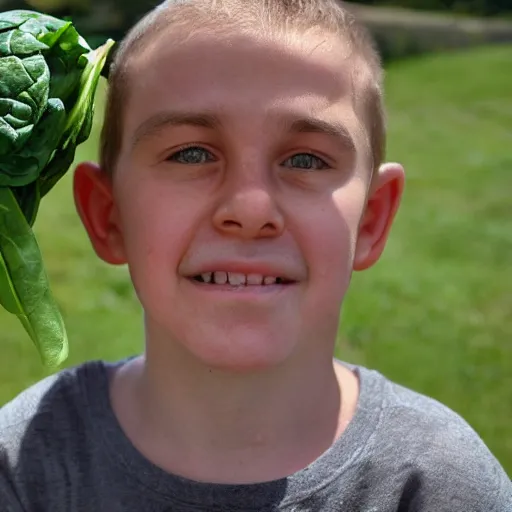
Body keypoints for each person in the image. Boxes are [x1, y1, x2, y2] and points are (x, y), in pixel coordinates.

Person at [1, 0, 510, 510]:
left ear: (372, 218)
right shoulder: (23, 466)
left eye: (306, 159)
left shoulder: (442, 485)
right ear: (108, 215)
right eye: (192, 153)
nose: (250, 208)